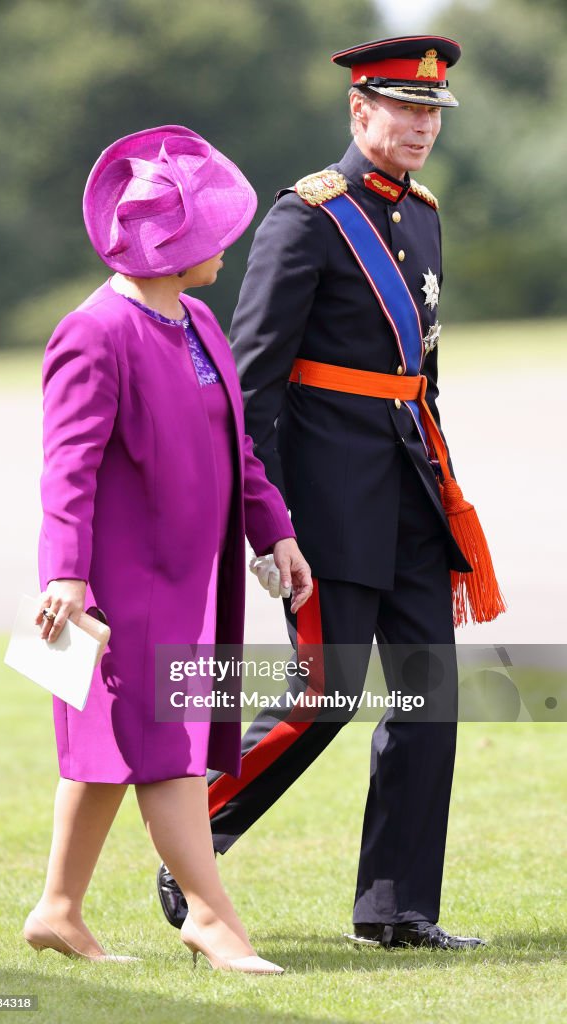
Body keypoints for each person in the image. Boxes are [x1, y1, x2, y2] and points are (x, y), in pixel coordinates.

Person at [157, 38, 505, 950]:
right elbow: (250, 388)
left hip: (410, 492)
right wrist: (262, 525)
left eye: (433, 113)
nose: (422, 126)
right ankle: (194, 834)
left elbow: (418, 376)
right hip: (326, 504)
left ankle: (396, 912)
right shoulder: (305, 219)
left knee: (431, 697)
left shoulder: (425, 215)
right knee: (327, 692)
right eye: (405, 110)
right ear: (360, 112)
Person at [23, 124, 312, 973]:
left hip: (194, 580)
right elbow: (66, 470)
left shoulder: (197, 321)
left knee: (108, 748)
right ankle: (211, 919)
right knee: (167, 747)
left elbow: (239, 450)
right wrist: (67, 577)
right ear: (173, 244)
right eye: (214, 231)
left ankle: (57, 909)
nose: (228, 242)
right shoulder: (93, 332)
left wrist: (277, 529)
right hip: (116, 590)